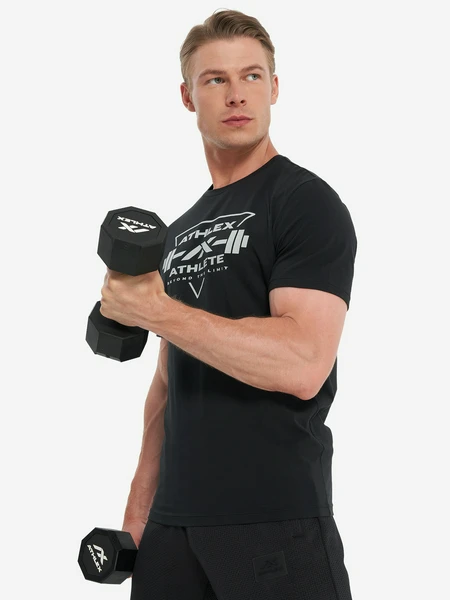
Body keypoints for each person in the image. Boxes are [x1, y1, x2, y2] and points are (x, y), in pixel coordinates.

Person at [99, 8, 357, 600]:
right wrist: (139, 511)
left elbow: (303, 361)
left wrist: (156, 311)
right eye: (215, 79)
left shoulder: (305, 203)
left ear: (274, 88)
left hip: (273, 520)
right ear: (188, 97)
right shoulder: (179, 230)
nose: (236, 94)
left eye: (251, 76)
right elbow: (168, 382)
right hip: (171, 530)